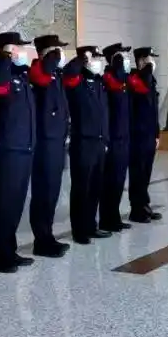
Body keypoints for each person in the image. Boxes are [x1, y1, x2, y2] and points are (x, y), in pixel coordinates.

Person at [0, 31, 37, 273]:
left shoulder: (21, 76)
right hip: (8, 149)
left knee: (15, 203)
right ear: (7, 50)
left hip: (23, 147)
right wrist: (4, 58)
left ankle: (8, 250)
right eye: (18, 47)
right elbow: (0, 89)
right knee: (4, 203)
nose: (22, 51)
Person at [26, 35, 72, 258]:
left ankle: (48, 235)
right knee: (43, 191)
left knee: (53, 191)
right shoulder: (37, 70)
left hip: (57, 140)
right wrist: (50, 59)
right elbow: (40, 77)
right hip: (44, 142)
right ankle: (41, 239)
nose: (60, 54)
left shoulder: (55, 73)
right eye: (56, 50)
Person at [63, 46, 112, 244]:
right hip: (83, 142)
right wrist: (82, 58)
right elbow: (68, 73)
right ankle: (79, 230)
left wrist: (105, 139)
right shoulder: (77, 82)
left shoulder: (99, 83)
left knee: (95, 188)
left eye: (98, 58)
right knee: (81, 188)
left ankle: (91, 226)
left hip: (99, 142)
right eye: (94, 58)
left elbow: (104, 114)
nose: (98, 62)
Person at [100, 43, 134, 232]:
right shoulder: (109, 79)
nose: (126, 60)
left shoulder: (123, 80)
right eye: (122, 57)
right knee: (110, 181)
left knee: (119, 180)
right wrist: (118, 64)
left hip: (124, 136)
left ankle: (114, 217)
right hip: (113, 137)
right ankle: (107, 218)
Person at [127, 47, 162, 223]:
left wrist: (157, 134)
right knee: (138, 173)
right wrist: (146, 69)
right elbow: (142, 86)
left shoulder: (150, 80)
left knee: (146, 172)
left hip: (149, 134)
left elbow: (154, 111)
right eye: (148, 59)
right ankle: (136, 209)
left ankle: (144, 205)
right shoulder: (134, 78)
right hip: (137, 135)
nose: (152, 63)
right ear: (140, 61)